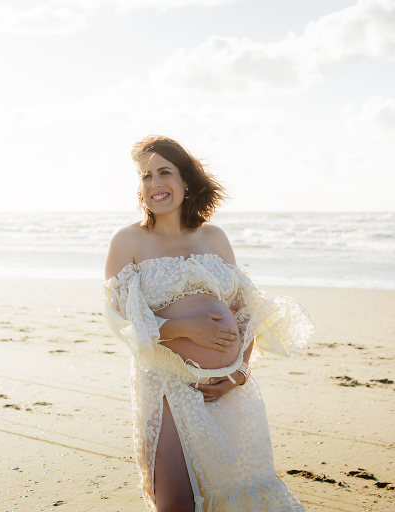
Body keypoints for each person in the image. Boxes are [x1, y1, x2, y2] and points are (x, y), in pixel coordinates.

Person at [102, 135, 315, 512]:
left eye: (163, 172)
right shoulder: (128, 240)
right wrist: (185, 329)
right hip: (167, 385)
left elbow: (248, 311)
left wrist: (239, 373)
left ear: (185, 180)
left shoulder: (214, 237)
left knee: (235, 495)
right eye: (145, 175)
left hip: (227, 391)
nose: (154, 184)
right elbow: (120, 322)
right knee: (176, 502)